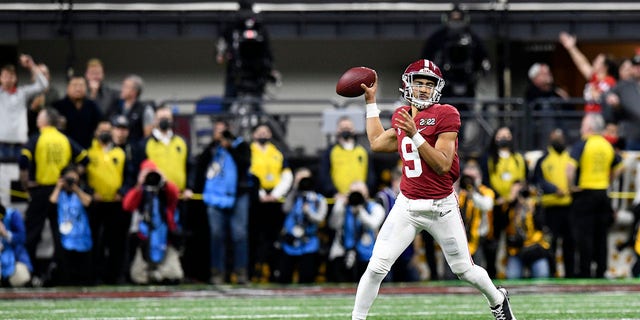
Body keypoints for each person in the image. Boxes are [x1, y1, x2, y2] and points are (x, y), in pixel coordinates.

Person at [351, 59, 516, 320]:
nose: (424, 88)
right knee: (376, 267)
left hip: (441, 206)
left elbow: (442, 165)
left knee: (464, 269)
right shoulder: (403, 115)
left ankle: (498, 300)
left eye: (429, 84)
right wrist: (370, 102)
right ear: (408, 85)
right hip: (407, 205)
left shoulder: (446, 113)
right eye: (419, 82)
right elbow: (376, 143)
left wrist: (415, 134)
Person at [19, 107, 88, 286]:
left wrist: (26, 183)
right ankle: (63, 276)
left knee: (32, 233)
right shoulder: (64, 139)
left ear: (44, 121)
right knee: (62, 234)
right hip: (63, 190)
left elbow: (23, 159)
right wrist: (72, 177)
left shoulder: (38, 138)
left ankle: (27, 274)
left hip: (42, 191)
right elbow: (84, 159)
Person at [566, 113, 623, 278]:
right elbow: (619, 166)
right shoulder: (607, 145)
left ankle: (585, 271)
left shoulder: (583, 144)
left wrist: (571, 187)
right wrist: (608, 180)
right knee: (601, 235)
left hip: (585, 194)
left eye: (583, 125)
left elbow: (570, 169)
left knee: (584, 235)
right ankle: (601, 270)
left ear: (589, 128)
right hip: (603, 194)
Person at [192, 120, 243, 284]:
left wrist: (231, 145)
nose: (220, 134)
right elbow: (201, 168)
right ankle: (217, 272)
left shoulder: (239, 147)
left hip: (237, 196)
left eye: (224, 131)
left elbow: (245, 164)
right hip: (214, 197)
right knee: (216, 236)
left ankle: (240, 272)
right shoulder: (211, 150)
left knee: (239, 236)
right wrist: (214, 145)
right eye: (217, 131)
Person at [123, 160, 183, 284]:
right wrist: (139, 185)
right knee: (138, 277)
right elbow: (127, 205)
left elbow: (175, 194)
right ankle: (154, 275)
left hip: (165, 239)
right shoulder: (141, 192)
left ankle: (158, 274)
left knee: (174, 275)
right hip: (144, 240)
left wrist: (163, 180)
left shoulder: (165, 192)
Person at [480, 126, 528, 279]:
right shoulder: (488, 158)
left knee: (514, 240)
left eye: (507, 135)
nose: (504, 138)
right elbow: (485, 181)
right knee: (492, 243)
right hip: (495, 206)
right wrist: (497, 196)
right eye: (500, 135)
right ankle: (491, 273)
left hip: (515, 207)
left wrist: (517, 192)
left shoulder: (519, 158)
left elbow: (524, 180)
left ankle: (513, 273)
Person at [420, 4, 490, 107]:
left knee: (466, 110)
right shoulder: (438, 38)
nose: (456, 23)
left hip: (468, 82)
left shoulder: (473, 38)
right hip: (444, 83)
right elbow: (426, 57)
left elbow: (483, 57)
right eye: (453, 19)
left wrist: (481, 68)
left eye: (459, 19)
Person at [86, 120, 129, 284]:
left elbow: (129, 175)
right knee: (95, 241)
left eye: (108, 130)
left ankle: (115, 276)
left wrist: (122, 192)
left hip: (115, 204)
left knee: (116, 241)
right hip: (95, 204)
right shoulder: (89, 153)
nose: (105, 133)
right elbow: (81, 176)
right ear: (96, 132)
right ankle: (93, 276)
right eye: (101, 130)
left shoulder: (120, 153)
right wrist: (91, 193)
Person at [248, 123, 292, 282]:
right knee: (254, 238)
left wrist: (275, 194)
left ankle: (274, 272)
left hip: (274, 200)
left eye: (266, 131)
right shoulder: (249, 151)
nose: (263, 134)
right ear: (253, 134)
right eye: (260, 131)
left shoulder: (277, 152)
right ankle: (252, 272)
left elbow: (287, 175)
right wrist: (259, 193)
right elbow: (249, 174)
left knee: (273, 239)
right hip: (256, 201)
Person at [216, 0, 279, 111]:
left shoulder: (233, 21)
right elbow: (268, 50)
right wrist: (270, 68)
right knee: (257, 107)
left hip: (237, 73)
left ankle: (225, 123)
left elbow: (221, 45)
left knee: (227, 106)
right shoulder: (259, 22)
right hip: (257, 74)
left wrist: (220, 55)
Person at [532, 129, 575, 277]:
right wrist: (554, 189)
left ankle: (570, 273)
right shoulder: (543, 159)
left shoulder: (571, 158)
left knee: (570, 243)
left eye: (561, 137)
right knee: (551, 242)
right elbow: (538, 180)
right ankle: (552, 272)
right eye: (556, 137)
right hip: (550, 207)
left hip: (569, 206)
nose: (559, 140)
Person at [275, 167, 327, 284]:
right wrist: (295, 189)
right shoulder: (292, 196)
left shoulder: (318, 199)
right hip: (290, 242)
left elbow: (320, 219)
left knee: (306, 279)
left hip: (308, 242)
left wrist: (309, 211)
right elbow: (285, 209)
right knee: (283, 279)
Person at [327, 181, 385, 283]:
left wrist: (360, 210)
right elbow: (333, 225)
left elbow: (373, 224)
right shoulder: (344, 208)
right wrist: (339, 206)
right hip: (344, 252)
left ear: (366, 194)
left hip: (367, 254)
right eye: (354, 193)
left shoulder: (375, 207)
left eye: (360, 194)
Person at [48, 164, 94, 286]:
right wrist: (58, 187)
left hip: (81, 234)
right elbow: (51, 203)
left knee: (84, 273)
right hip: (63, 237)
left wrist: (76, 189)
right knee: (65, 274)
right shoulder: (59, 192)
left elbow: (88, 202)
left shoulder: (83, 189)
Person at [375, 167, 421, 282]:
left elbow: (419, 226)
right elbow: (376, 225)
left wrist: (416, 253)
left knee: (413, 280)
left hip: (407, 250)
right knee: (385, 281)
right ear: (395, 181)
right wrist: (379, 249)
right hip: (388, 249)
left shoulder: (412, 197)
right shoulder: (383, 197)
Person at [0, 54, 48, 161]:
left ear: (15, 78)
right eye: (5, 76)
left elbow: (43, 85)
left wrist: (31, 66)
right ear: (0, 78)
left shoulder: (22, 93)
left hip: (20, 143)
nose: (8, 79)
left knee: (21, 175)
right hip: (1, 143)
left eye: (11, 76)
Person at [558, 31, 617, 114]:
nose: (594, 62)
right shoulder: (594, 78)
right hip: (589, 116)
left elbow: (598, 97)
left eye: (597, 61)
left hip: (600, 119)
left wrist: (593, 89)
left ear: (605, 67)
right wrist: (571, 48)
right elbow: (582, 63)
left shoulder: (610, 81)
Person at [318, 116, 375, 198]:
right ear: (338, 130)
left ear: (353, 130)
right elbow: (324, 175)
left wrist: (367, 190)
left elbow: (370, 175)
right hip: (339, 198)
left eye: (348, 128)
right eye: (343, 128)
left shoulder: (362, 151)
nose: (346, 130)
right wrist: (334, 193)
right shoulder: (330, 152)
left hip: (360, 197)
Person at [457, 159, 495, 278]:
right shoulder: (460, 193)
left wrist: (473, 193)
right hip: (460, 238)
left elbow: (487, 205)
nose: (469, 181)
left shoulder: (486, 191)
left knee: (478, 273)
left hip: (479, 239)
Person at [504, 184, 551, 279]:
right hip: (516, 250)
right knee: (512, 276)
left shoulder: (535, 206)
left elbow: (542, 225)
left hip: (535, 249)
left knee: (542, 275)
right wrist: (511, 203)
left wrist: (533, 212)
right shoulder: (509, 208)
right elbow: (501, 225)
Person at [52, 76, 103, 149]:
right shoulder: (58, 106)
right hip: (64, 148)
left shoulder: (92, 106)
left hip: (87, 149)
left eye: (81, 85)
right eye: (74, 85)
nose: (78, 89)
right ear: (68, 87)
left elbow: (100, 123)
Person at [604, 53, 640, 150]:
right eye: (635, 66)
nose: (638, 69)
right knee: (630, 163)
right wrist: (611, 97)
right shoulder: (624, 85)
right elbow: (606, 94)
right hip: (631, 134)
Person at [107, 74, 155, 146]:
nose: (122, 89)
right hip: (115, 151)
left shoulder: (145, 109)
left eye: (126, 87)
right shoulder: (115, 106)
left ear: (134, 91)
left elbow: (147, 137)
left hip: (135, 150)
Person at [0, 203, 33, 287]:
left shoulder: (12, 215)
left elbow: (22, 238)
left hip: (14, 260)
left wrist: (6, 234)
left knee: (21, 278)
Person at [27, 63, 61, 137]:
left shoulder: (54, 93)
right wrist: (32, 109)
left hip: (50, 134)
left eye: (44, 74)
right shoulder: (27, 94)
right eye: (38, 74)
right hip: (31, 134)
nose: (41, 77)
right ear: (32, 77)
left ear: (49, 76)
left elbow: (58, 116)